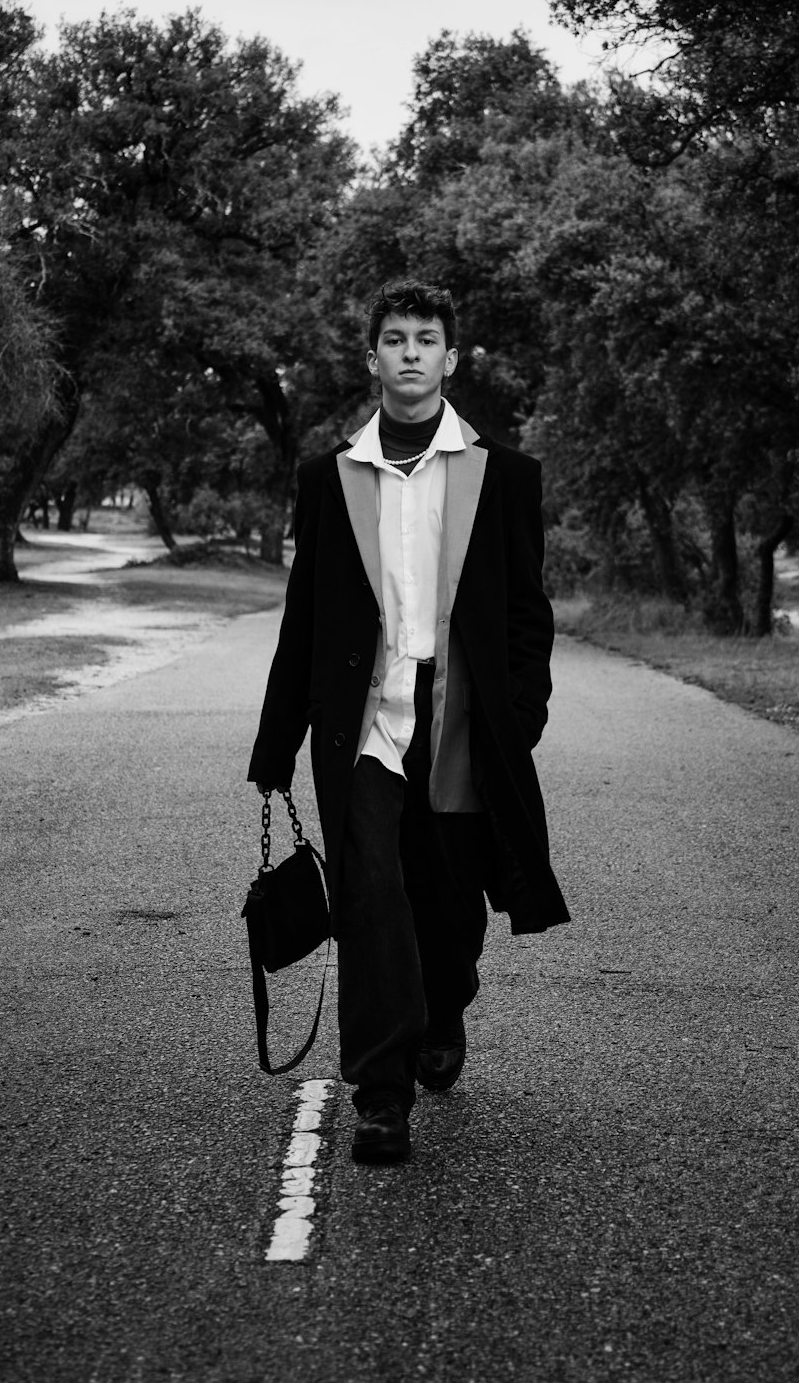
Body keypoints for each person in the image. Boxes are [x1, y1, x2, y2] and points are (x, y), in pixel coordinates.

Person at [248, 279, 569, 1164]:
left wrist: (521, 713)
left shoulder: (503, 475)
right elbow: (305, 615)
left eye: (428, 338)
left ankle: (446, 1002)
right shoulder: (330, 477)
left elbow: (526, 614)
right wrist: (277, 742)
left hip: (463, 719)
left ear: (451, 358)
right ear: (374, 358)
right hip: (365, 722)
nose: (412, 353)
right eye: (395, 339)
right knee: (371, 893)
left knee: (448, 902)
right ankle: (381, 1093)